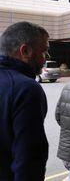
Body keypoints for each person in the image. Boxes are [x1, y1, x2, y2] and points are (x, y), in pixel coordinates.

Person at [0, 21, 50, 180]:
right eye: (44, 51)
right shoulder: (26, 89)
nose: (47, 57)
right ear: (25, 51)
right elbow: (29, 161)